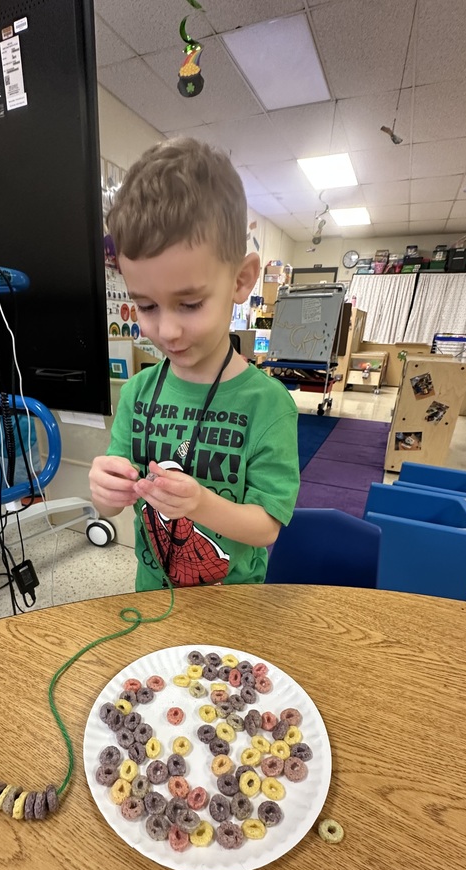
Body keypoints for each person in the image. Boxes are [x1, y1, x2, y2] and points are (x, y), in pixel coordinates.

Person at [88, 138, 300, 591]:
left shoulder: (269, 405)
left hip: (236, 612)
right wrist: (105, 491)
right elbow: (112, 507)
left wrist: (199, 503)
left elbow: (266, 527)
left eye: (189, 304)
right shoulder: (138, 394)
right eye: (146, 306)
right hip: (153, 601)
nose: (167, 332)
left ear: (241, 280)